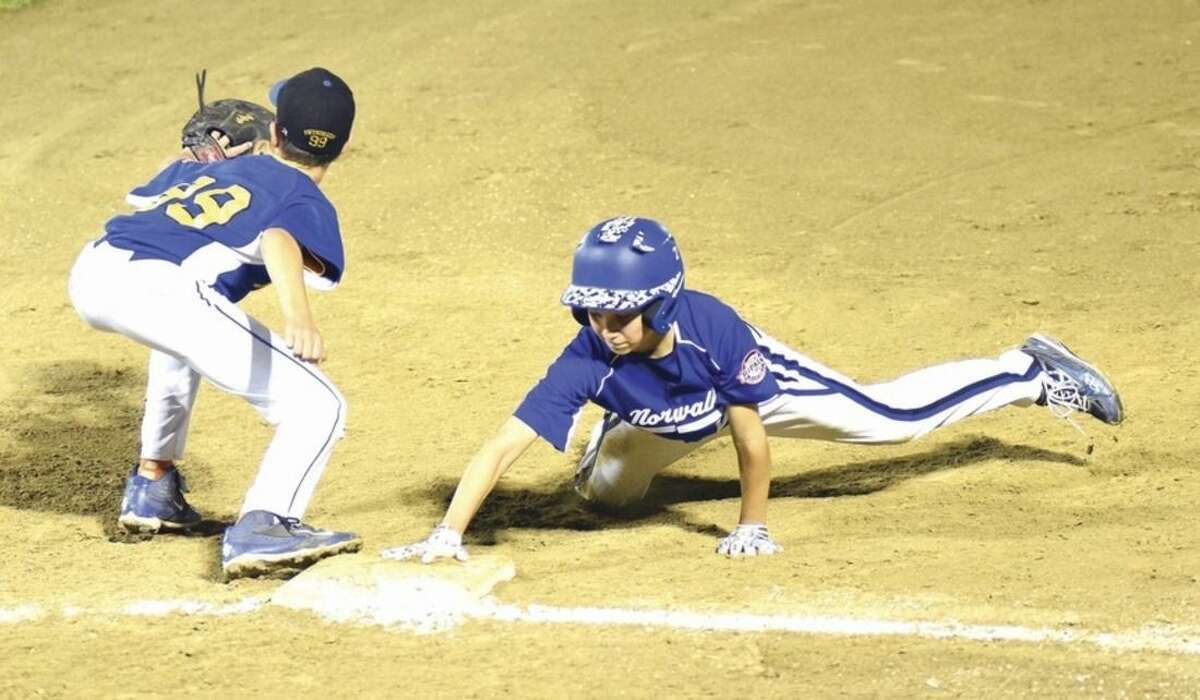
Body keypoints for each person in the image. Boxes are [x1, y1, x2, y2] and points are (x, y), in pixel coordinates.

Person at [383, 216, 1123, 562]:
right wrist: (448, 534)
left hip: (750, 393)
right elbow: (501, 446)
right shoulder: (588, 360)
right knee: (603, 500)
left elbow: (749, 437)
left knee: (892, 421)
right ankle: (615, 437)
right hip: (655, 416)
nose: (603, 324)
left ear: (662, 304)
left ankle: (1029, 372)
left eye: (620, 312)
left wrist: (750, 524)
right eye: (593, 311)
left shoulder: (716, 332)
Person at [68, 67, 361, 579]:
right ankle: (265, 524)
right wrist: (299, 318)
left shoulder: (210, 170)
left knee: (181, 343)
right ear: (343, 148)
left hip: (95, 268)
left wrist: (199, 162)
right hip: (161, 288)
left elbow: (152, 193)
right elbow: (278, 239)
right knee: (319, 406)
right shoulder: (306, 197)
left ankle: (153, 484)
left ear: (274, 134)